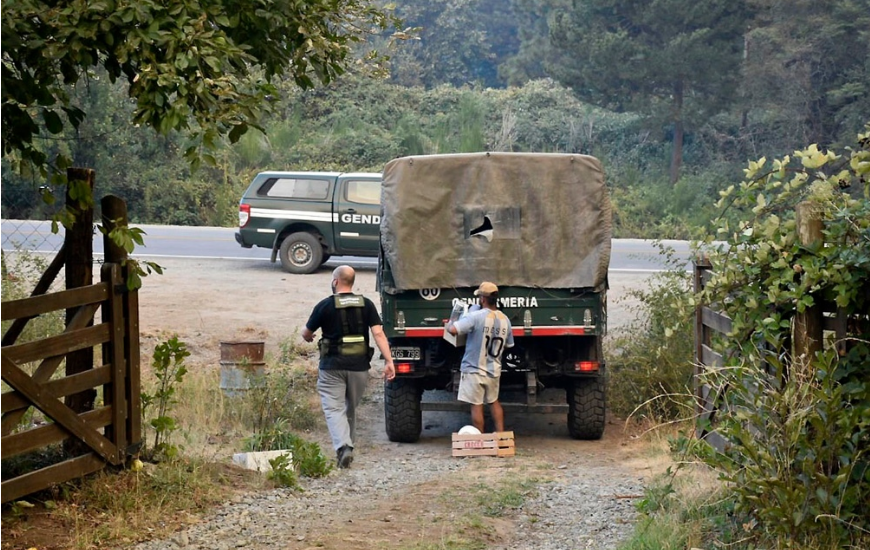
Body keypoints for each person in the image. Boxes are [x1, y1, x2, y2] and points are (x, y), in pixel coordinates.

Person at [302, 265, 396, 468]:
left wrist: (309, 336)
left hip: (331, 367)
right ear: (352, 282)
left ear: (335, 281)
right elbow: (378, 334)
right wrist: (389, 361)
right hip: (359, 367)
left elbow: (306, 332)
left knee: (334, 408)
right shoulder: (367, 304)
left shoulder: (325, 306)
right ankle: (347, 448)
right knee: (350, 408)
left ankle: (344, 446)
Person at [446, 282, 514, 433]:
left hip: (474, 368)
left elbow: (453, 330)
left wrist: (452, 321)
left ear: (482, 299)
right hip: (494, 369)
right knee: (494, 402)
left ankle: (480, 437)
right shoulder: (505, 320)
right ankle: (501, 436)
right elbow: (509, 344)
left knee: (476, 404)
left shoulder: (475, 316)